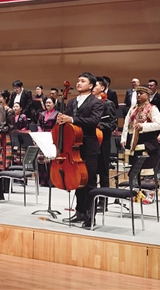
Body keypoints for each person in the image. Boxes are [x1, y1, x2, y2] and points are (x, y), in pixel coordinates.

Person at [57, 72, 104, 228]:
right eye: (78, 81)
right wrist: (61, 120)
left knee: (89, 182)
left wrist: (72, 119)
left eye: (83, 81)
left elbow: (93, 121)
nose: (78, 83)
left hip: (89, 147)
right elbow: (67, 123)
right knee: (78, 181)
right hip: (72, 147)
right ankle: (80, 212)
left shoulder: (96, 102)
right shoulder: (71, 102)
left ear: (90, 85)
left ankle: (91, 215)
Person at [121, 85, 160, 171]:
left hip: (147, 142)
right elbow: (126, 124)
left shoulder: (153, 108)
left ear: (148, 95)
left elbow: (159, 125)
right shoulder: (133, 108)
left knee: (146, 170)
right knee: (134, 170)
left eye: (141, 93)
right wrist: (124, 138)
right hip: (133, 142)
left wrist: (143, 126)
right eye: (137, 93)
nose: (138, 95)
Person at [94, 77, 118, 190]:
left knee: (103, 171)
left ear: (102, 88)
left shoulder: (108, 104)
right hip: (90, 141)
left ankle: (103, 198)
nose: (93, 87)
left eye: (96, 85)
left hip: (103, 141)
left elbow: (113, 124)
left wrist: (99, 125)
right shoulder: (88, 103)